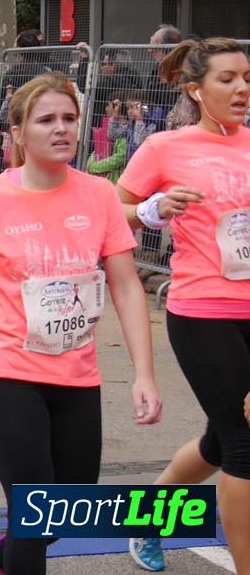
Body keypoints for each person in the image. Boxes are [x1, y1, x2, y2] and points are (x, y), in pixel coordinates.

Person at [0, 72, 162, 575]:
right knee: (32, 511)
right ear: (18, 133)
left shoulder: (99, 196)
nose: (61, 129)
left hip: (76, 373)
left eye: (69, 118)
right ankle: (15, 551)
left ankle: (2, 554)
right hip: (5, 370)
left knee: (67, 505)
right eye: (46, 119)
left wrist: (144, 374)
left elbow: (127, 286)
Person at [118, 38, 250, 573]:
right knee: (245, 446)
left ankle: (147, 518)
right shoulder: (165, 147)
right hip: (204, 313)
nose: (242, 87)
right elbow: (114, 208)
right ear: (196, 90)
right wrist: (151, 207)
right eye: (227, 79)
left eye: (246, 76)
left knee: (222, 440)